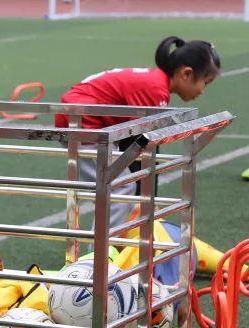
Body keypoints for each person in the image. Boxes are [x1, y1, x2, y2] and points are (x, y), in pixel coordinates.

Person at [55, 36, 221, 227]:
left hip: (86, 118)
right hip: (82, 120)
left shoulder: (156, 84)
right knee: (120, 187)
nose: (202, 91)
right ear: (186, 73)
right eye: (205, 83)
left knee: (120, 186)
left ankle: (114, 242)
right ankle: (100, 253)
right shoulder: (156, 90)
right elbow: (143, 144)